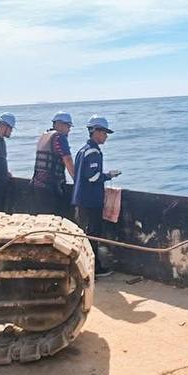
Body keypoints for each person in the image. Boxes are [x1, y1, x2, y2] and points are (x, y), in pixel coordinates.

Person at [72, 115, 120, 277]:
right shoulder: (93, 152)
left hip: (80, 198)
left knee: (84, 234)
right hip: (91, 200)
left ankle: (83, 267)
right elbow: (92, 177)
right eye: (104, 132)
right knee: (92, 235)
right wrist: (109, 175)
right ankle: (94, 268)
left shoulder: (81, 150)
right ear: (96, 132)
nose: (106, 136)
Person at [30, 111, 76, 217]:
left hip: (37, 184)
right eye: (68, 126)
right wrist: (76, 179)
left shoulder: (44, 135)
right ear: (59, 124)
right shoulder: (59, 137)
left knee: (43, 216)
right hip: (50, 186)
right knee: (53, 217)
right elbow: (67, 159)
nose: (69, 129)